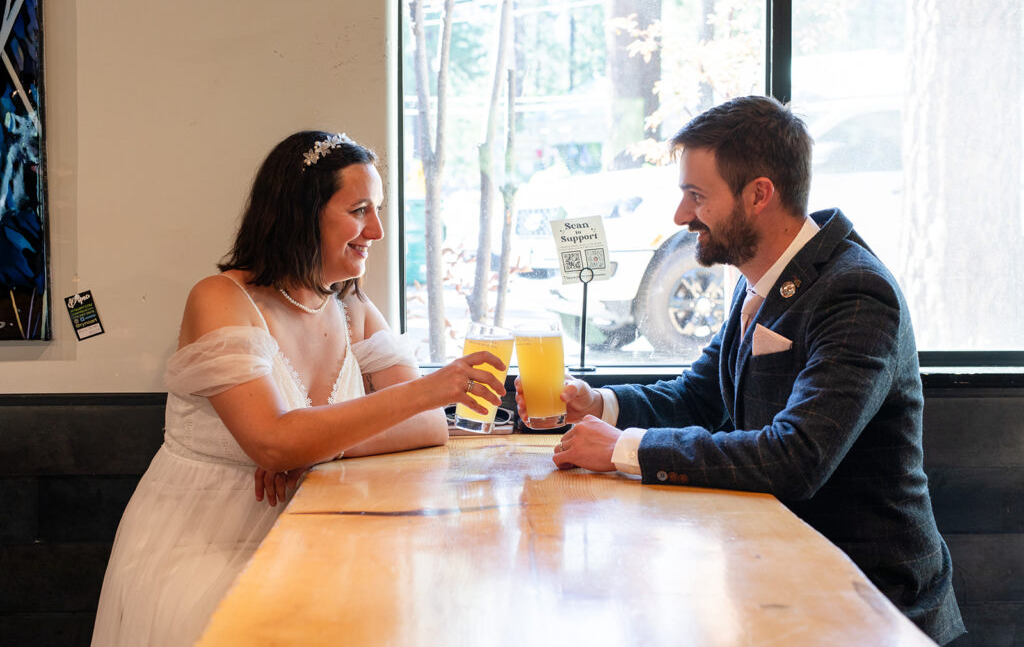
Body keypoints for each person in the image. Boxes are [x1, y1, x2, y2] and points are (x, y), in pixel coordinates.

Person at [518, 96, 965, 644]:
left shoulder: (856, 293)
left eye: (697, 196)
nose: (681, 217)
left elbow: (797, 457)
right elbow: (698, 396)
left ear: (759, 195)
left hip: (871, 603)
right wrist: (597, 403)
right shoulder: (758, 279)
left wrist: (621, 450)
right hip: (780, 577)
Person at [92, 131, 506, 646]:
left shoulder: (350, 307)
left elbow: (428, 429)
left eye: (376, 210)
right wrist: (425, 392)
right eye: (359, 210)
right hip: (206, 537)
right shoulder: (221, 299)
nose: (375, 230)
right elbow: (272, 441)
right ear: (301, 212)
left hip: (317, 530)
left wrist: (314, 450)